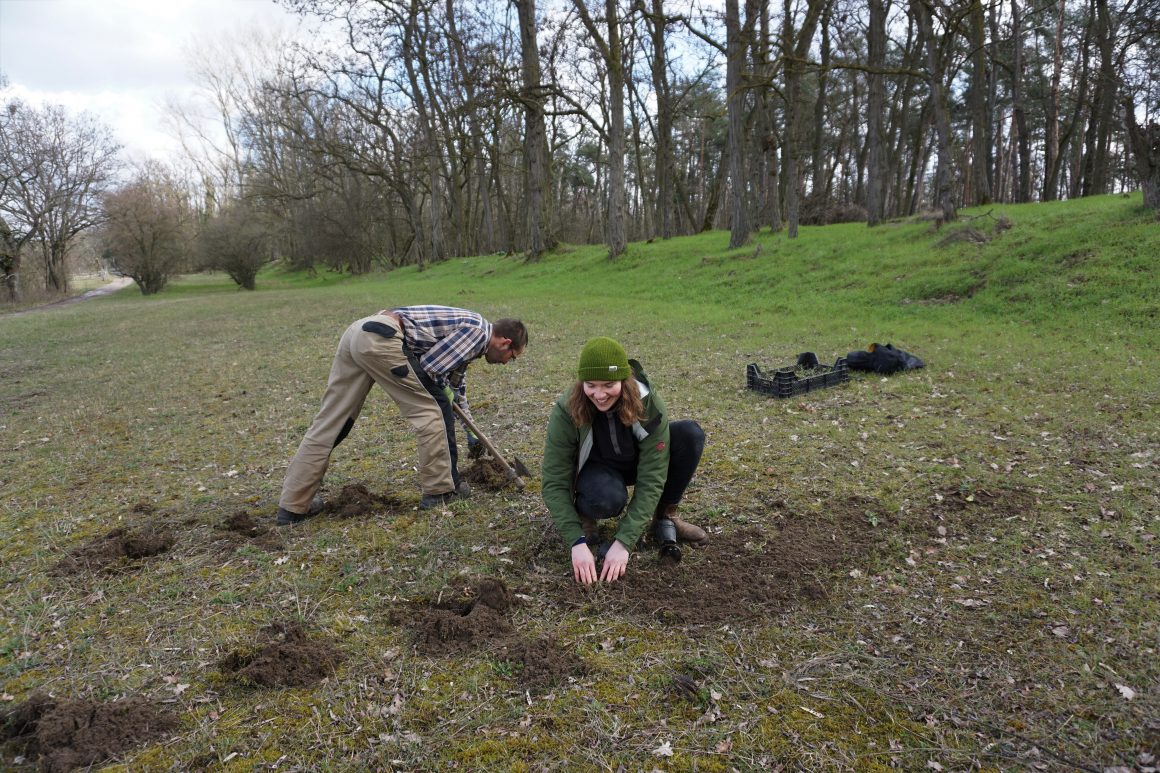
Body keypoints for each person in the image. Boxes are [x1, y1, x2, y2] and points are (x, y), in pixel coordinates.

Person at [276, 306, 527, 525]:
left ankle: (293, 506)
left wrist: (471, 434)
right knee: (433, 409)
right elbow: (433, 369)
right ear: (505, 343)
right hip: (382, 336)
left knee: (333, 423)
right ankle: (441, 490)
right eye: (512, 357)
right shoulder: (478, 332)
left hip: (359, 332)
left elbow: (457, 391)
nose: (507, 363)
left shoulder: (471, 335)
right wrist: (444, 395)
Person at [542, 336, 707, 584]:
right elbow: (554, 481)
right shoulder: (566, 409)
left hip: (636, 462)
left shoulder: (648, 403)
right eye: (591, 385)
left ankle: (664, 517)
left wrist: (623, 543)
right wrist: (575, 541)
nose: (599, 394)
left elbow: (652, 477)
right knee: (607, 499)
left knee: (689, 434)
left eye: (608, 384)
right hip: (597, 470)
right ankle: (583, 517)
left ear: (624, 380)